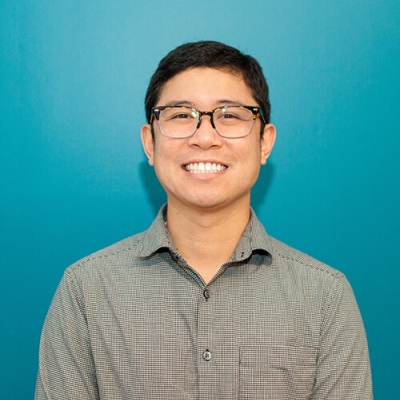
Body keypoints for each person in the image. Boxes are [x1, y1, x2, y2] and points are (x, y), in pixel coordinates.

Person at [35, 41, 372, 399]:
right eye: (182, 115)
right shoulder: (86, 291)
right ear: (150, 143)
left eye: (230, 115)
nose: (206, 137)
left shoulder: (325, 298)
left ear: (264, 143)